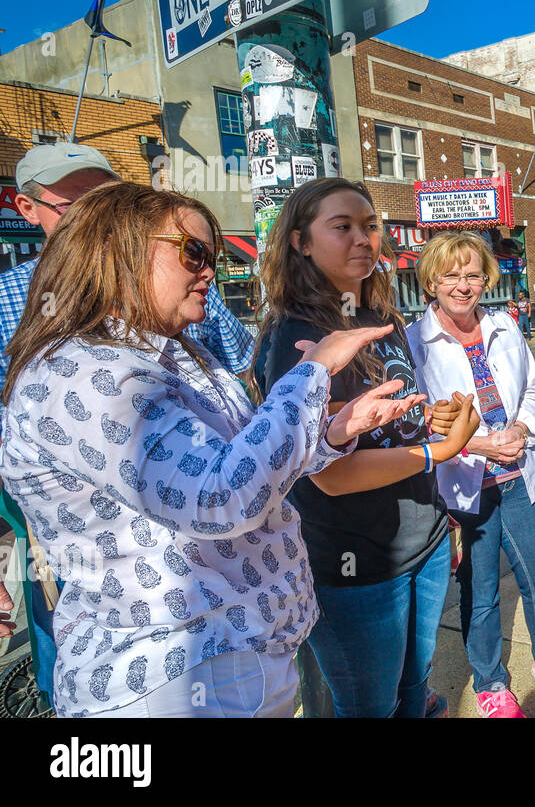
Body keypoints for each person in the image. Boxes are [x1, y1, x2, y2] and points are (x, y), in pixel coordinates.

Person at [0, 182, 429, 716]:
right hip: (170, 675)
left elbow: (252, 459)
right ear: (119, 251)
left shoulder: (175, 353)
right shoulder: (82, 373)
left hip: (236, 658)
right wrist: (315, 369)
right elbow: (220, 496)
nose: (209, 272)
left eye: (214, 255)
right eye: (193, 252)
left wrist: (332, 431)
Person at [0, 143, 257, 707]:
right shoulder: (12, 306)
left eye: (110, 198)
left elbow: (239, 377)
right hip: (82, 545)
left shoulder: (185, 286)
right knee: (81, 643)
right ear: (26, 207)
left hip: (206, 575)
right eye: (77, 201)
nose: (98, 211)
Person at [254, 178, 479, 719]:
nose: (363, 238)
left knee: (413, 691)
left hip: (420, 542)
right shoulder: (295, 336)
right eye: (343, 226)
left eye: (370, 226)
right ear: (301, 242)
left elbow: (392, 421)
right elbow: (330, 474)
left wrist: (430, 419)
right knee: (368, 706)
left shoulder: (381, 314)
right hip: (353, 564)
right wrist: (439, 452)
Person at [407, 231, 535, 719]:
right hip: (465, 487)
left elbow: (534, 393)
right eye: (451, 275)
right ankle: (491, 683)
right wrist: (476, 443)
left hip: (520, 475)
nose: (462, 285)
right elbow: (416, 422)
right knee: (482, 592)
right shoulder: (414, 343)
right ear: (431, 280)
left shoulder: (504, 326)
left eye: (472, 274)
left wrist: (521, 427)